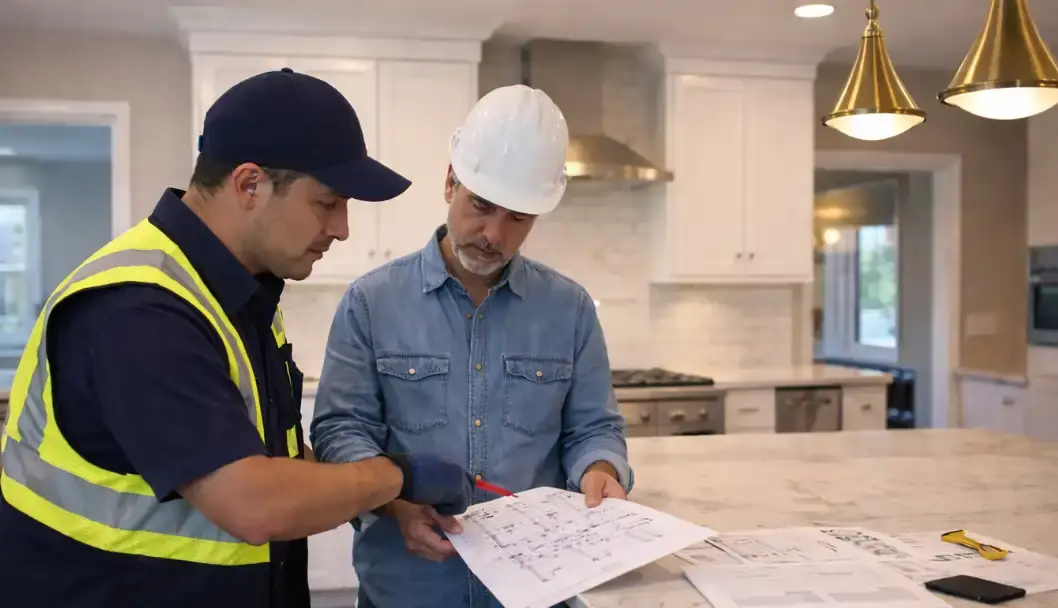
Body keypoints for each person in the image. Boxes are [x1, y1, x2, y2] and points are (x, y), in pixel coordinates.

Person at [0, 68, 475, 608]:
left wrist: (394, 503)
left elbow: (279, 459)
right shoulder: (138, 311)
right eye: (328, 202)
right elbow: (255, 502)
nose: (342, 228)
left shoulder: (237, 296)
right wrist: (397, 474)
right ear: (249, 184)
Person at [310, 84, 633, 608]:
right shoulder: (371, 302)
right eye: (482, 206)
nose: (494, 234)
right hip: (408, 589)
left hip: (535, 590)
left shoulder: (570, 309)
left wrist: (601, 470)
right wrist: (394, 504)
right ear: (449, 182)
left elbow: (594, 428)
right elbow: (339, 429)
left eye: (518, 218)